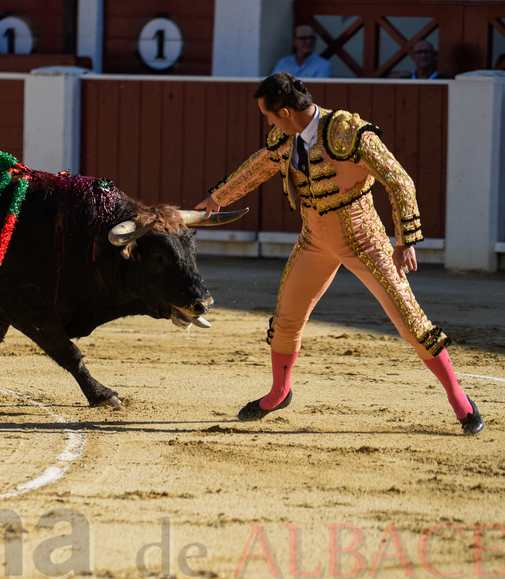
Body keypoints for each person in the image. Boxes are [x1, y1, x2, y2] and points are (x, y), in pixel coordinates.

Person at [194, 73, 484, 434]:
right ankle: (279, 391)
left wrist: (404, 239)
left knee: (411, 322)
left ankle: (460, 401)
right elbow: (258, 166)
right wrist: (216, 198)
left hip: (364, 238)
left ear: (284, 111)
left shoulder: (347, 132)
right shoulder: (286, 137)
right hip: (314, 240)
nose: (268, 122)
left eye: (268, 115)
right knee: (286, 319)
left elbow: (399, 181)